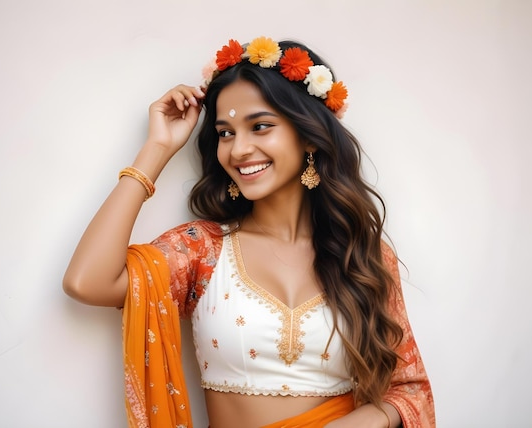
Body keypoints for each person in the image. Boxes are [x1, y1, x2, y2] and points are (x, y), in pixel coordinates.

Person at [63, 36, 435, 428]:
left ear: (309, 134)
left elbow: (409, 389)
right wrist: (156, 148)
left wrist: (362, 421)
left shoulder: (361, 254)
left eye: (260, 126)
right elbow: (87, 281)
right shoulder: (203, 250)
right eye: (225, 133)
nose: (239, 149)